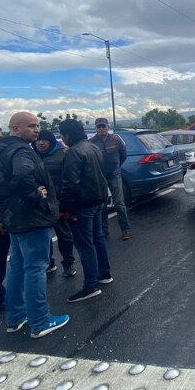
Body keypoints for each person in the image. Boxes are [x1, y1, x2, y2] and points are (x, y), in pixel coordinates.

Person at [0, 112, 69, 338]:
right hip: (31, 217)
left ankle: (16, 317)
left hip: (14, 217)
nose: (37, 130)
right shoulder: (22, 150)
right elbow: (23, 175)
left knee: (17, 266)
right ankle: (40, 321)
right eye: (31, 126)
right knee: (36, 267)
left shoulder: (4, 149)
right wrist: (38, 195)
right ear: (15, 128)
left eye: (37, 126)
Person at [59, 118, 112, 301]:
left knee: (85, 244)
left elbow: (70, 184)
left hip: (82, 205)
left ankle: (91, 285)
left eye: (62, 135)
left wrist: (64, 207)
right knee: (98, 239)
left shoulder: (73, 152)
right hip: (98, 201)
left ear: (67, 135)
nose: (62, 139)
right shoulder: (93, 147)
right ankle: (104, 274)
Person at [34, 129, 77, 277]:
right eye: (38, 140)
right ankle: (49, 263)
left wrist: (64, 203)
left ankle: (68, 264)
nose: (40, 143)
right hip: (40, 204)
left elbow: (70, 179)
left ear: (51, 141)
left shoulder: (62, 154)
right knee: (44, 236)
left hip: (59, 203)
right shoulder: (32, 155)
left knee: (64, 235)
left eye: (44, 140)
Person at [92, 118, 133, 240]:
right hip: (100, 177)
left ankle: (126, 230)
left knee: (119, 203)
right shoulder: (92, 142)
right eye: (98, 127)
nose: (101, 129)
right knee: (102, 205)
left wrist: (116, 166)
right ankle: (104, 232)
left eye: (103, 126)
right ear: (95, 128)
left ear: (108, 127)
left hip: (115, 175)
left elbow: (123, 154)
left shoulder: (116, 139)